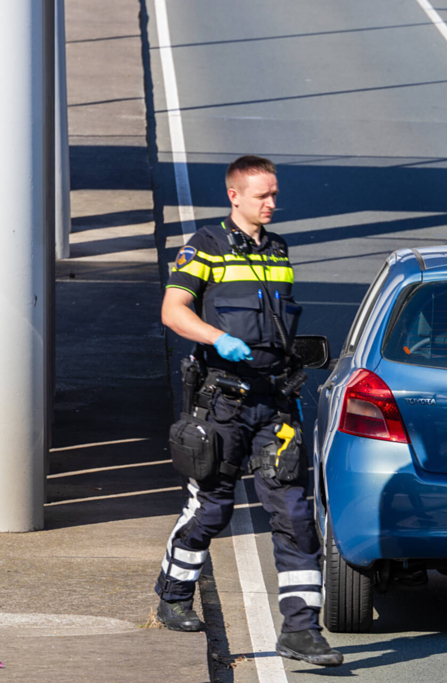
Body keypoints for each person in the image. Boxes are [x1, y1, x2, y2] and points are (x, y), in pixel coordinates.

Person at [154, 155, 343, 667]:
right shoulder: (205, 247)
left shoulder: (278, 249)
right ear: (234, 195)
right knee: (212, 508)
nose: (272, 204)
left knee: (295, 514)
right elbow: (174, 311)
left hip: (275, 403)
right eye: (262, 196)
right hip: (223, 403)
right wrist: (219, 338)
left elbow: (278, 325)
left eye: (275, 194)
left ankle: (301, 631)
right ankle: (174, 591)